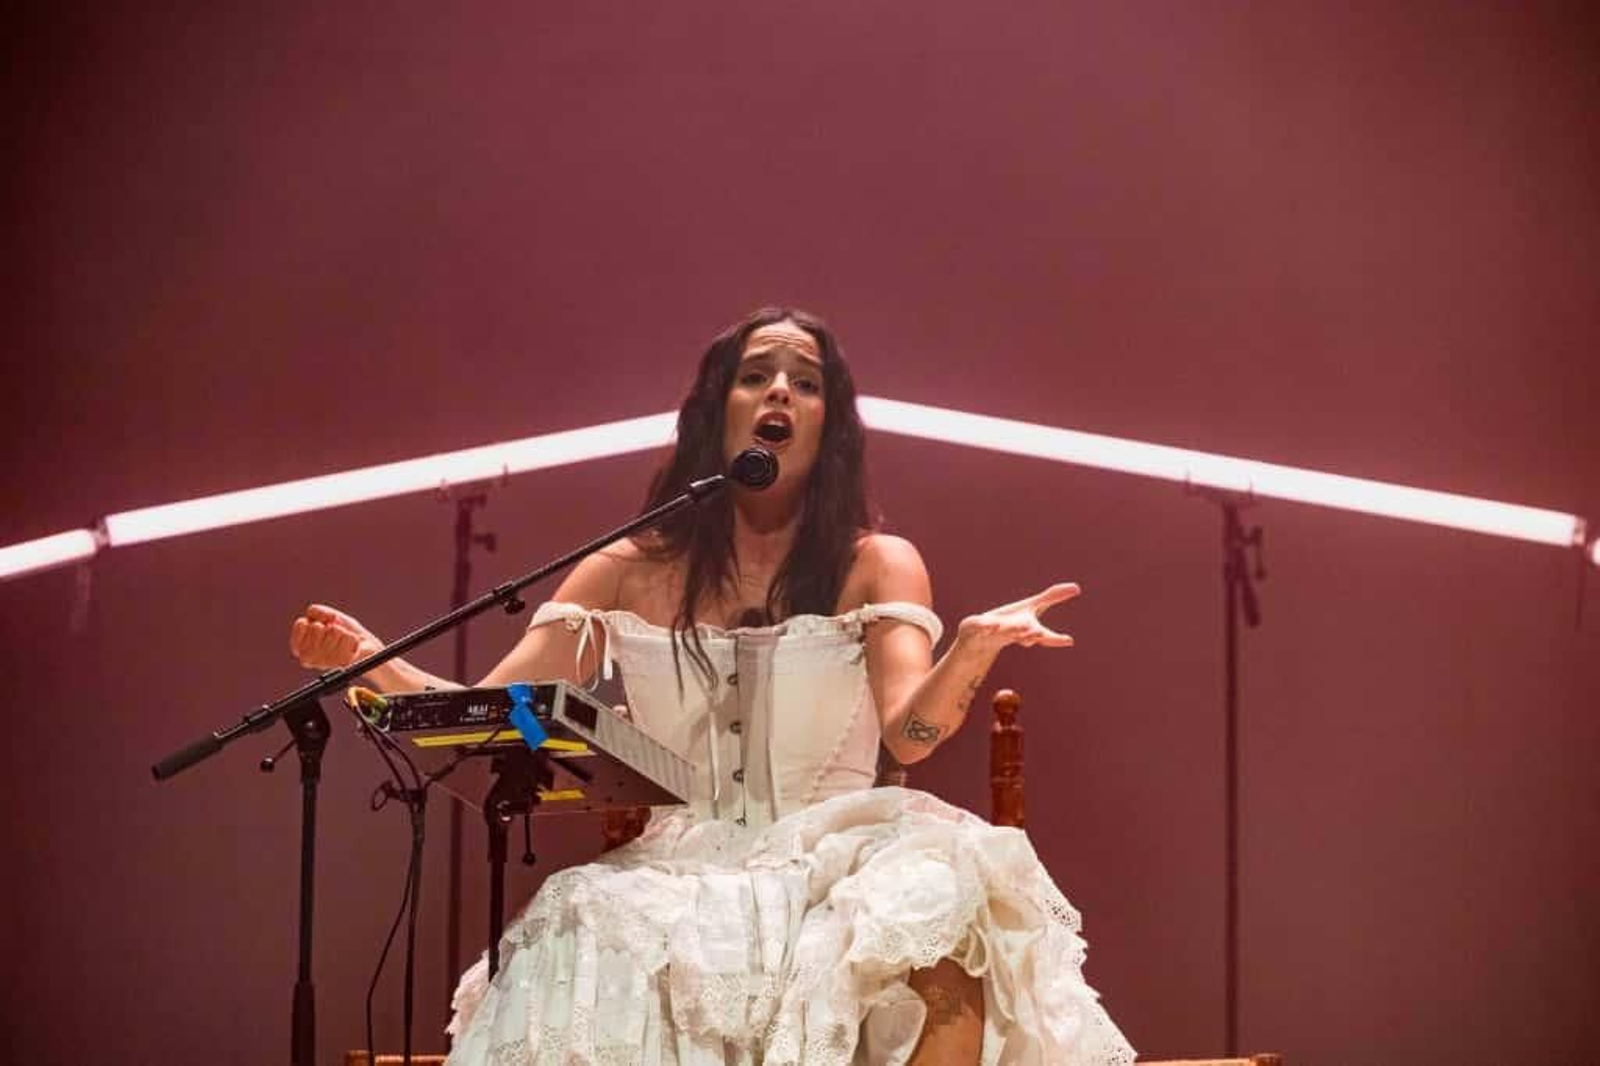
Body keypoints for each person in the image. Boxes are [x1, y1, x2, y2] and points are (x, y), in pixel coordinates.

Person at [290, 307, 1134, 1065]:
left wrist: (973, 650)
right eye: (756, 375)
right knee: (580, 923)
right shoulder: (624, 569)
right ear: (715, 411)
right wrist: (369, 663)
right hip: (674, 872)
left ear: (830, 426)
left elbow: (910, 736)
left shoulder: (877, 563)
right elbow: (488, 715)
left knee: (937, 901)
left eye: (807, 383)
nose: (781, 392)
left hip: (840, 856)